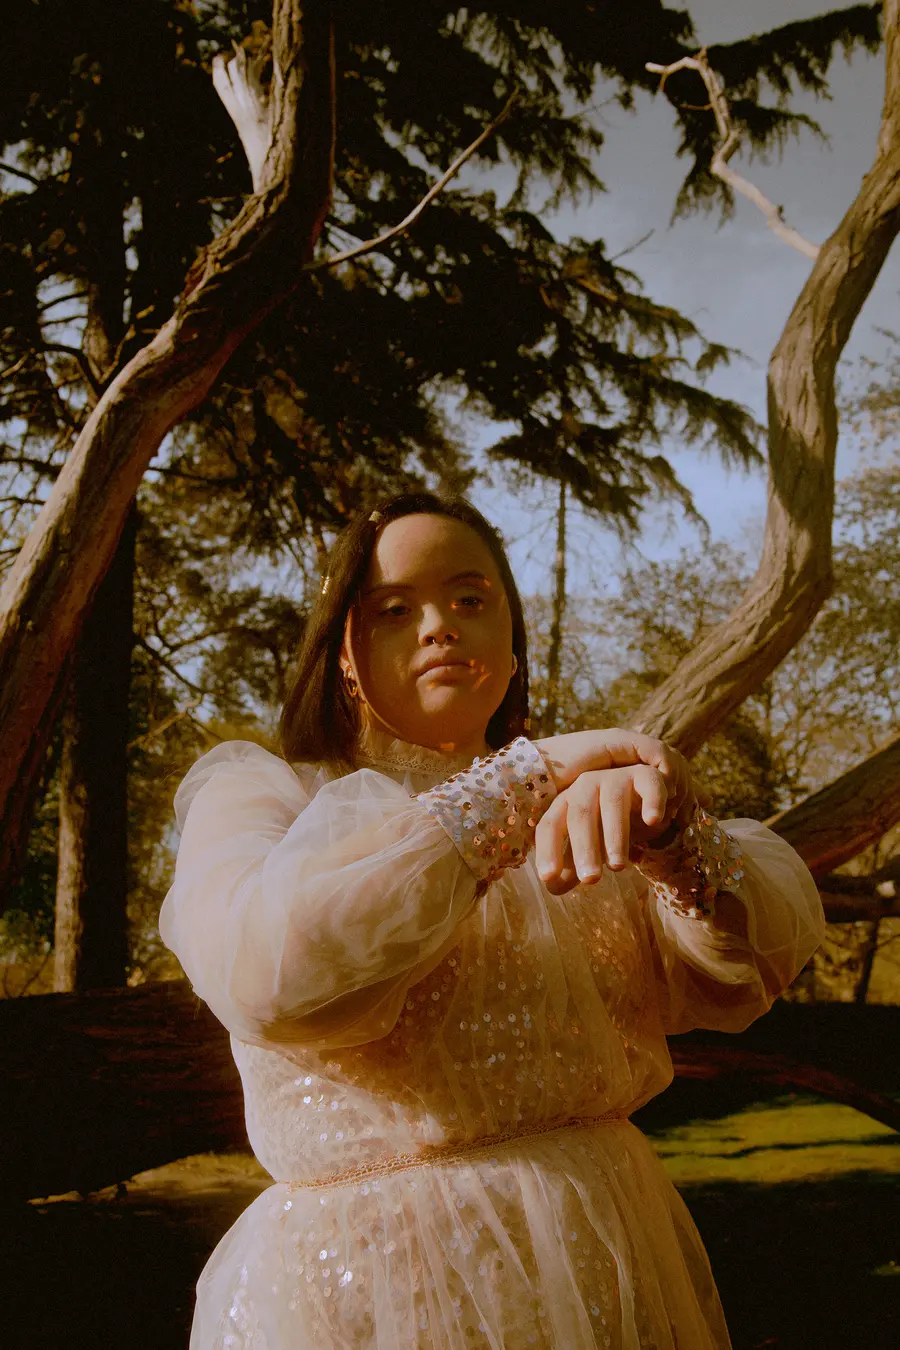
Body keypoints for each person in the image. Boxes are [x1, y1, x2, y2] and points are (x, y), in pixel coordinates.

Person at [158, 490, 826, 1350]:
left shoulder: (591, 808)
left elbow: (744, 973)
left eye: (469, 599)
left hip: (610, 1252)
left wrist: (672, 835)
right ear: (345, 656)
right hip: (376, 1289)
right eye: (393, 610)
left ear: (512, 646)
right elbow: (267, 978)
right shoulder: (263, 800)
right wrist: (519, 784)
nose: (439, 626)